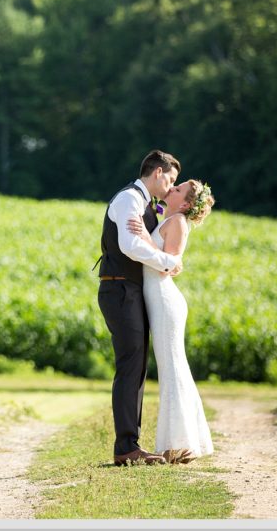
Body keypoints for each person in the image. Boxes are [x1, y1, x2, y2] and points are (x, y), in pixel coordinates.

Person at [93, 150, 183, 466]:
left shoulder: (145, 205)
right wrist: (169, 262)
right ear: (157, 172)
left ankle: (131, 444)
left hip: (130, 290)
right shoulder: (128, 200)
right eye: (170, 179)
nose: (171, 187)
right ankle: (126, 448)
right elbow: (130, 247)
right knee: (131, 365)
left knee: (137, 366)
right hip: (119, 289)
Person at [127, 179, 216, 464]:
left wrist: (144, 237)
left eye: (178, 190)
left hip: (165, 301)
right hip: (158, 300)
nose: (172, 189)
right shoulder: (171, 217)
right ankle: (183, 443)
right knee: (173, 369)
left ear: (186, 204)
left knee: (172, 370)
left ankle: (179, 446)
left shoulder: (177, 220)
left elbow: (170, 263)